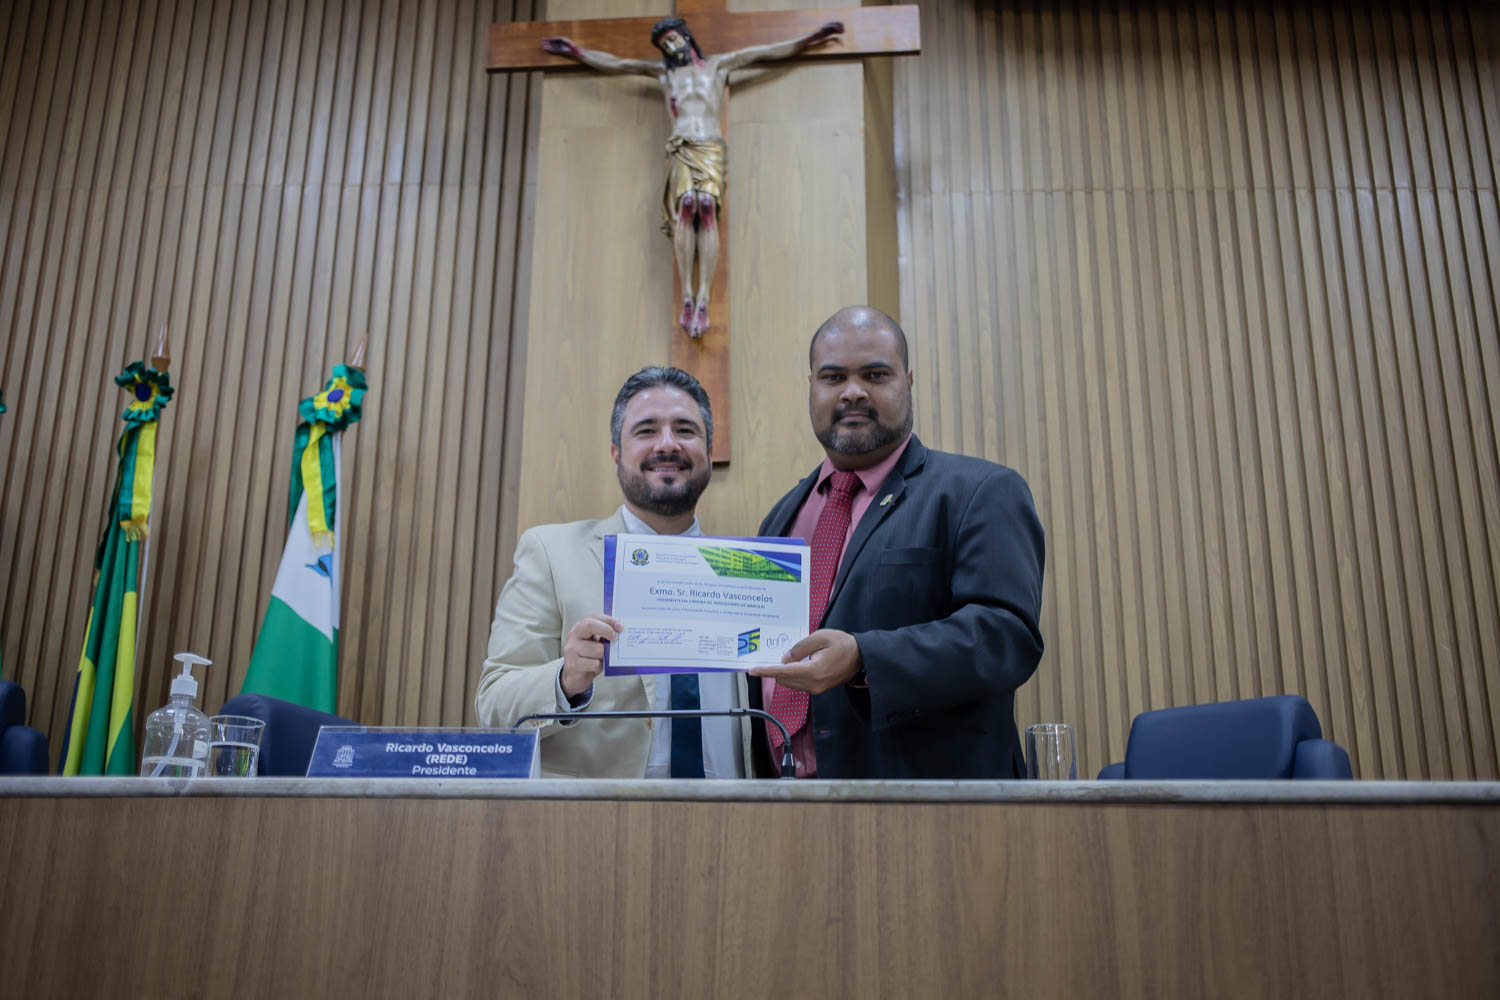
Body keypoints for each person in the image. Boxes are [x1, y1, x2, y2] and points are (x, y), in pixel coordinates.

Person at [747, 306, 1046, 778]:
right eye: (833, 377)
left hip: (934, 811)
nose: (852, 392)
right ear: (811, 387)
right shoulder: (781, 518)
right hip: (787, 810)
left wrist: (866, 658)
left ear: (907, 382)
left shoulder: (979, 492)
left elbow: (1006, 637)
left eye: (875, 374)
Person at [475, 366, 752, 778]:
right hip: (598, 826)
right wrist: (566, 680)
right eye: (646, 431)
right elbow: (493, 707)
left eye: (685, 430)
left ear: (709, 451)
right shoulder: (550, 553)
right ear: (616, 454)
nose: (667, 444)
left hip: (736, 824)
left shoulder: (749, 576)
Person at [541, 17, 844, 337]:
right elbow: (617, 64)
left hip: (710, 148)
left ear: (686, 37)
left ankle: (704, 297)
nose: (671, 48)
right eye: (665, 45)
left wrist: (812, 37)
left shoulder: (719, 66)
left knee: (707, 209)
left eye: (674, 40)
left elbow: (767, 51)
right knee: (687, 205)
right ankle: (687, 294)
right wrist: (577, 51)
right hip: (682, 145)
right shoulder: (663, 72)